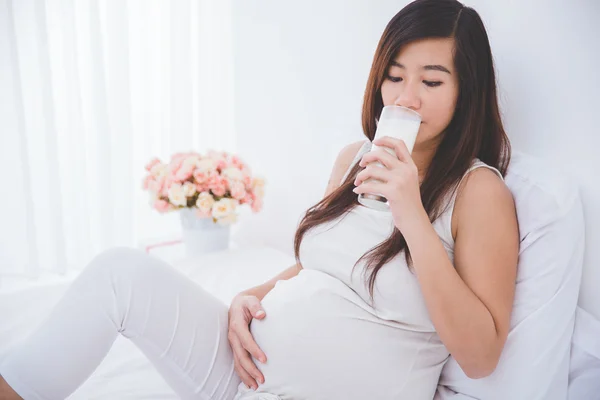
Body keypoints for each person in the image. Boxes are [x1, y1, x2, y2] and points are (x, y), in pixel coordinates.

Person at [0, 0, 519, 399]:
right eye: (394, 76)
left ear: (466, 90)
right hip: (242, 369)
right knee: (120, 274)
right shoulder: (353, 160)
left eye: (431, 81)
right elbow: (317, 266)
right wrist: (255, 293)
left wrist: (412, 217)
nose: (407, 97)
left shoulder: (479, 192)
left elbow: (479, 356)